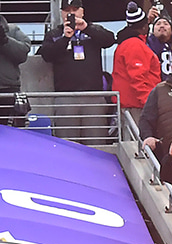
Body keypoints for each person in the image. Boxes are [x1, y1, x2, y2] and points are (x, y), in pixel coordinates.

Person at [39, 0, 114, 140]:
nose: (71, 13)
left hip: (93, 97)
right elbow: (46, 55)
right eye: (67, 10)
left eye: (74, 10)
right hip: (66, 98)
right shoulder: (54, 34)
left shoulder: (93, 29)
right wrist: (65, 39)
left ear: (82, 11)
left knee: (96, 142)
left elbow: (109, 40)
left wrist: (86, 28)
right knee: (67, 144)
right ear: (62, 13)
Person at [112, 14, 171, 113]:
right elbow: (137, 78)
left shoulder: (128, 43)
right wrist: (149, 104)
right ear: (144, 27)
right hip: (136, 106)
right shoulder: (135, 45)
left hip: (132, 104)